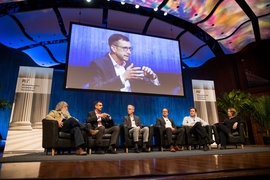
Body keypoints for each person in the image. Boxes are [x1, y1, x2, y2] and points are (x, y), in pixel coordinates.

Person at [87, 33, 161, 92]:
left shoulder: (131, 66)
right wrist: (123, 77)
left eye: (130, 49)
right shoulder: (98, 64)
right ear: (114, 48)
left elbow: (149, 89)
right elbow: (94, 88)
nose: (129, 52)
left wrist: (152, 78)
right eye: (125, 48)